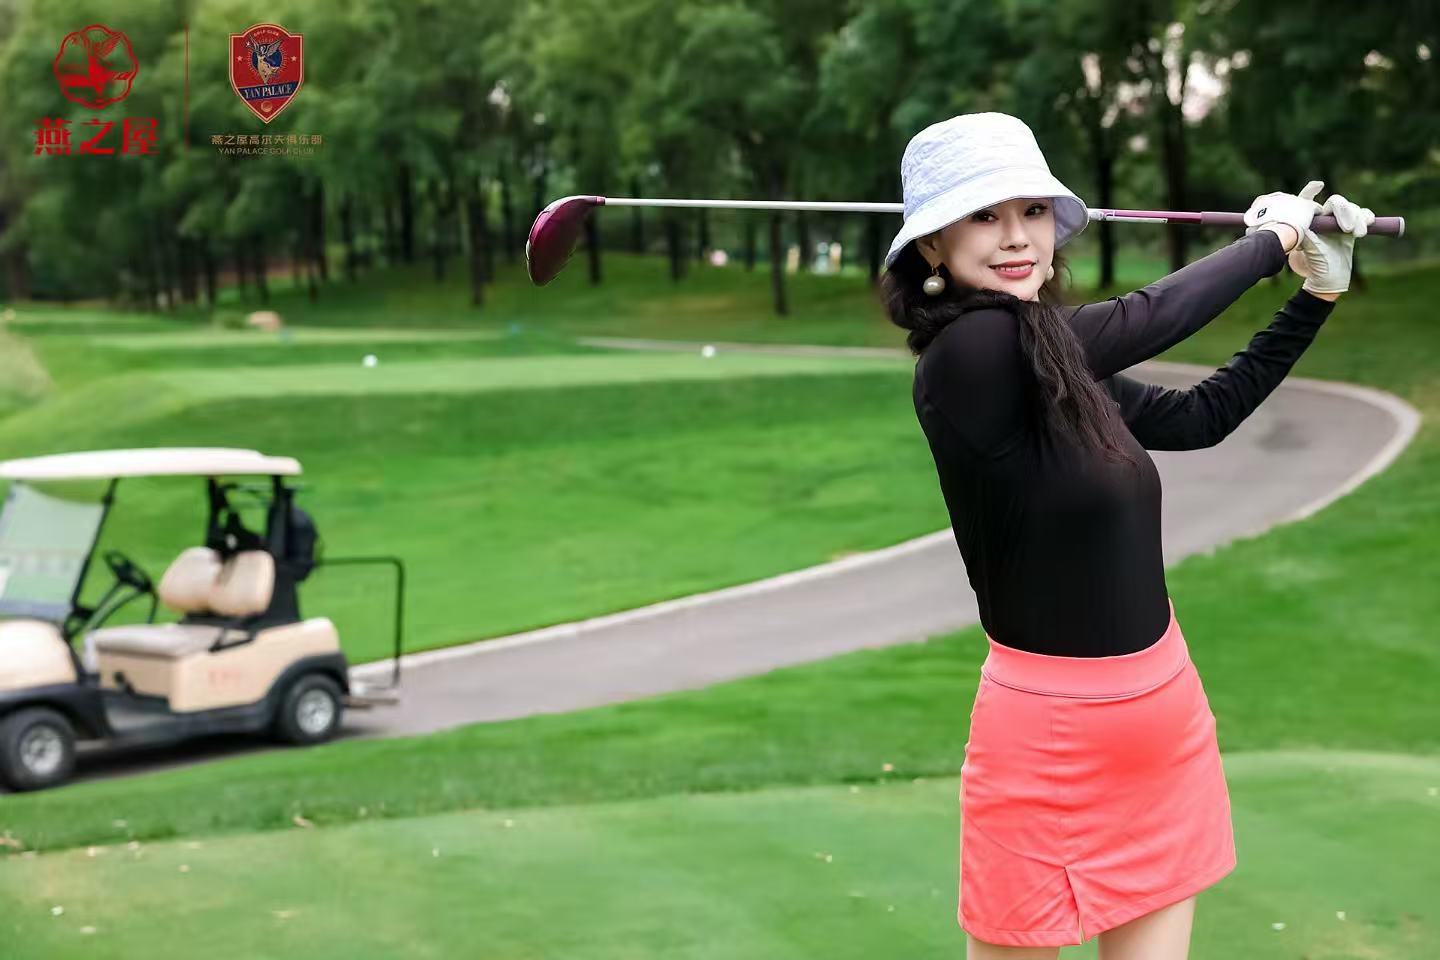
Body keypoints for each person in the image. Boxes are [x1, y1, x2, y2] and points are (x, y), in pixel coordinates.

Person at [877, 112, 1373, 960]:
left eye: (1033, 211)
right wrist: (1272, 240)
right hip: (1048, 740)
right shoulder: (967, 357)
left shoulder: (1057, 358)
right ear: (931, 245)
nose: (1017, 237)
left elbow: (1203, 416)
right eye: (984, 216)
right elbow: (1149, 315)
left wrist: (1314, 296)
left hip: (1162, 717)